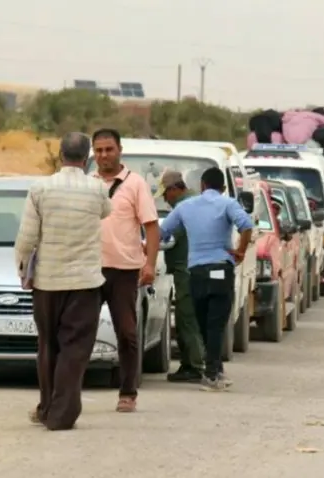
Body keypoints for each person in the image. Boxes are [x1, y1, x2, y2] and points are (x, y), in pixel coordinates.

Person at [14, 132, 112, 431]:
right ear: (87, 158)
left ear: (60, 155)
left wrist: (22, 270)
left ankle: (47, 406)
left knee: (48, 345)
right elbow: (106, 212)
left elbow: (27, 237)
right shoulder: (98, 189)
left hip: (47, 282)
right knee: (75, 348)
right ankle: (61, 414)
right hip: (84, 283)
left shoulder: (40, 188)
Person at [159, 167, 254, 391]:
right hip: (221, 270)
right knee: (216, 323)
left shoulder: (185, 206)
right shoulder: (228, 203)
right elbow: (247, 226)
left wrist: (145, 249)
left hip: (197, 273)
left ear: (202, 185)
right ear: (222, 188)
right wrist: (240, 251)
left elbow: (162, 232)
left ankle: (214, 370)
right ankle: (212, 373)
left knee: (202, 323)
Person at [92, 128, 160, 413]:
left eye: (109, 149)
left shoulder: (136, 184)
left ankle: (128, 392)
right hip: (90, 270)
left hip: (123, 271)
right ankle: (68, 390)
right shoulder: (87, 183)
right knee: (80, 333)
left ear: (120, 150)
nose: (104, 155)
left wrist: (150, 264)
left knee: (127, 333)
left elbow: (151, 226)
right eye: (98, 150)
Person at [159, 171, 206, 383]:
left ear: (174, 189)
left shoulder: (182, 208)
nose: (164, 200)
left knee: (187, 318)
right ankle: (191, 363)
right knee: (192, 316)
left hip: (186, 269)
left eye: (165, 194)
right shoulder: (196, 201)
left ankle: (194, 366)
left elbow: (167, 238)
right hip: (198, 268)